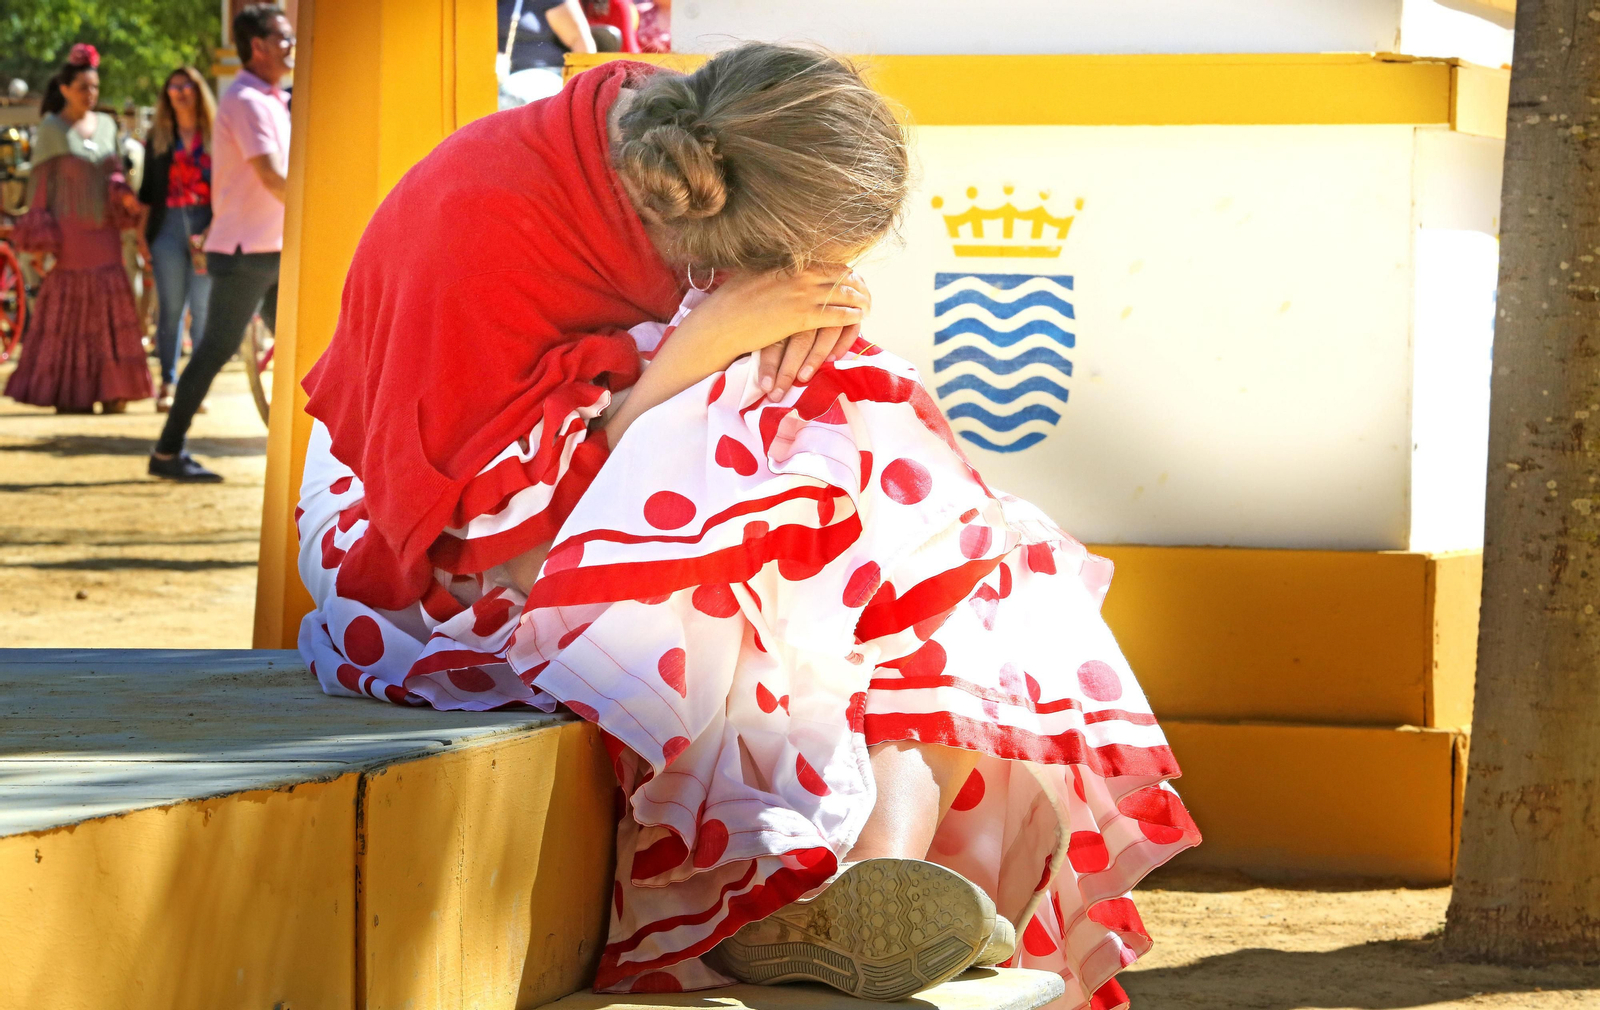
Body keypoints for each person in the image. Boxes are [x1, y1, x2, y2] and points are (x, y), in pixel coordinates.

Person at [294, 46, 1199, 1008]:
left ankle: (874, 882)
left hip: (627, 468)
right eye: (800, 263)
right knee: (791, 540)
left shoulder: (693, 139)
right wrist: (706, 347)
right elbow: (483, 536)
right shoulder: (476, 237)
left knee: (930, 522)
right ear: (728, 238)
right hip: (441, 541)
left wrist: (765, 331)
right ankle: (809, 878)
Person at [148, 4, 292, 482]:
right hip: (245, 254)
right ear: (258, 46)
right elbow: (273, 176)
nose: (292, 46)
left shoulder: (268, 98)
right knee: (214, 351)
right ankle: (167, 453)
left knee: (300, 347)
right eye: (284, 38)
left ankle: (318, 450)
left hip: (266, 249)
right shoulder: (249, 101)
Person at [3, 44, 151, 414]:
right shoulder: (52, 128)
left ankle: (114, 391)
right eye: (84, 87)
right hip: (69, 240)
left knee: (110, 309)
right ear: (65, 88)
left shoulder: (106, 126)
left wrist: (125, 195)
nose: (91, 94)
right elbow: (39, 191)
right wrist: (39, 244)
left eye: (95, 87)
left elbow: (116, 174)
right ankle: (73, 392)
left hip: (105, 235)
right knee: (72, 314)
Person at [139, 67, 217, 411]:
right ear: (166, 94)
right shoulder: (158, 136)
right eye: (174, 87)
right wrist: (142, 235)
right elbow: (146, 192)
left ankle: (194, 389)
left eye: (187, 86)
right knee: (170, 309)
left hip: (208, 226)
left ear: (199, 92)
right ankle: (167, 383)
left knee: (203, 310)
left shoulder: (216, 134)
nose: (181, 92)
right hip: (167, 226)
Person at [497, 0, 598, 107]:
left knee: (508, 98)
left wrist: (584, 93)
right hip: (491, 77)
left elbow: (579, 41)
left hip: (543, 74)